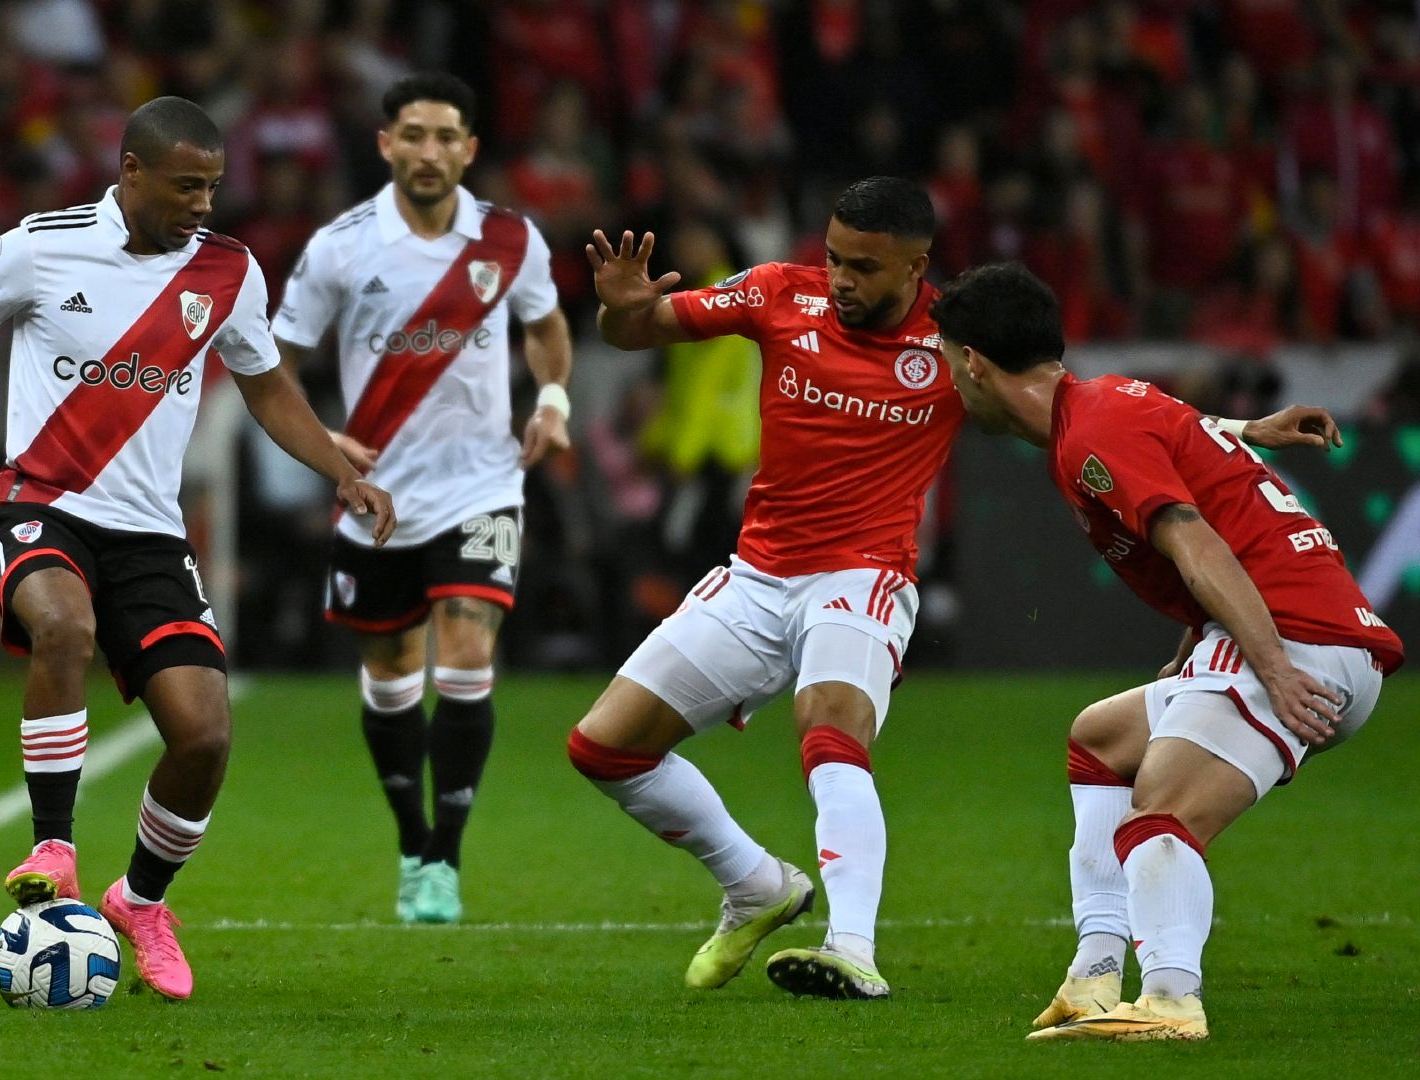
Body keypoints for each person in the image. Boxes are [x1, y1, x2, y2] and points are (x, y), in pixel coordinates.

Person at [570, 177, 1321, 1002]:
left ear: (915, 267)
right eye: (833, 257)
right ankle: (756, 884)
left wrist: (1242, 428)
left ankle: (851, 946)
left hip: (864, 577)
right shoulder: (779, 293)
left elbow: (1084, 399)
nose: (842, 279)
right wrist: (618, 309)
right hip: (757, 576)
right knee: (605, 749)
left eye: (863, 266)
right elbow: (639, 328)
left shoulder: (954, 340)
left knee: (829, 729)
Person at [0, 96, 393, 1001]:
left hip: (149, 534)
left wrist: (338, 467)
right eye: (187, 185)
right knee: (62, 628)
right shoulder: (39, 248)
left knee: (203, 735)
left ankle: (141, 900)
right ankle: (54, 842)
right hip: (38, 506)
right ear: (131, 172)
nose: (205, 203)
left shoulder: (229, 272)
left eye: (213, 185)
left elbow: (269, 387)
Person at [927, 261, 1402, 1041]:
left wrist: (1273, 670)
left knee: (1163, 810)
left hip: (1297, 645)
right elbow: (1194, 453)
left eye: (949, 363)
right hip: (1296, 635)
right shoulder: (1104, 401)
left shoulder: (1093, 433)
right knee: (1101, 740)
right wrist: (1249, 432)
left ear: (973, 362)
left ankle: (1173, 998)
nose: (951, 382)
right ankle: (1095, 972)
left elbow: (1200, 544)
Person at [271, 73, 572, 923]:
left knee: (469, 648)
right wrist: (322, 437)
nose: (430, 152)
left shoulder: (510, 240)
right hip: (377, 496)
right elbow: (274, 357)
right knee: (392, 671)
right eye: (414, 135)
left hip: (483, 483)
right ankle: (413, 843)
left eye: (446, 136)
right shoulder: (341, 247)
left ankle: (448, 851)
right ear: (386, 145)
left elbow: (547, 327)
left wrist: (552, 399)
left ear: (470, 148)